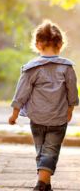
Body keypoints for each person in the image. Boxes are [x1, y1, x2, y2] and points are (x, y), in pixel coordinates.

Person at [8, 20, 79, 191]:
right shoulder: (67, 68)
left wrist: (15, 113)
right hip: (58, 118)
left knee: (41, 150)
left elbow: (21, 92)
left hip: (37, 118)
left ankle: (44, 184)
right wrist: (70, 109)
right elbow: (72, 92)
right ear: (60, 44)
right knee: (50, 150)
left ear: (38, 44)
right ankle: (42, 184)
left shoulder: (31, 68)